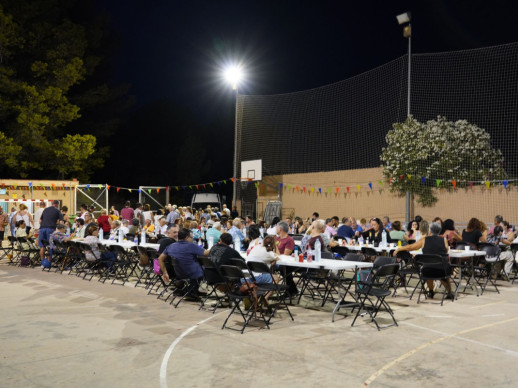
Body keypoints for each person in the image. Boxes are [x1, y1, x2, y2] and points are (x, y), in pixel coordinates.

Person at [398, 222, 453, 300]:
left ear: (430, 231)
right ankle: (450, 292)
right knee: (444, 273)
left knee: (429, 268)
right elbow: (446, 250)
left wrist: (399, 249)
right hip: (442, 270)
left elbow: (411, 247)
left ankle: (431, 291)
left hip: (427, 270)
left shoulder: (424, 240)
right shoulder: (444, 240)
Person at [157, 228, 209, 297]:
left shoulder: (171, 246)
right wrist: (214, 248)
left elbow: (160, 258)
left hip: (178, 273)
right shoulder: (191, 246)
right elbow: (206, 253)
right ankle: (192, 291)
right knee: (206, 268)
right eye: (191, 237)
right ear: (187, 238)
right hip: (193, 273)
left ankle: (191, 290)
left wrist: (165, 272)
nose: (192, 239)